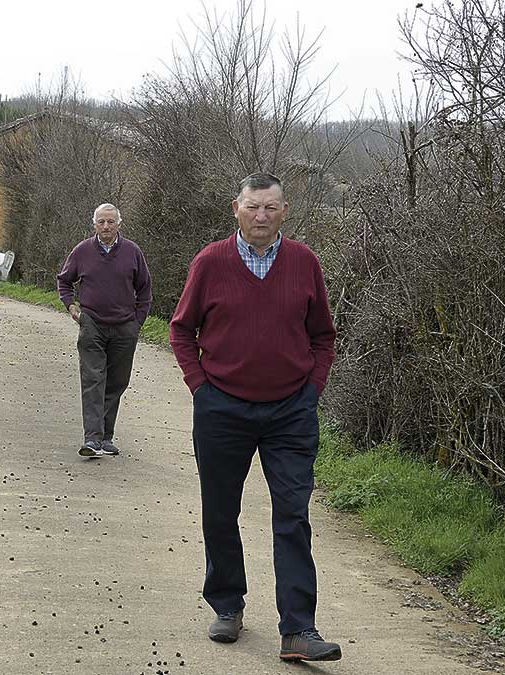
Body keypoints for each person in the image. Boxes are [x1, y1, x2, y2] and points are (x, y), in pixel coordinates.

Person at [168, 173, 340, 662]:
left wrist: (311, 390)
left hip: (291, 411)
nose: (260, 217)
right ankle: (227, 605)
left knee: (293, 515)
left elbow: (323, 336)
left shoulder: (304, 262)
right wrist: (201, 389)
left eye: (269, 208)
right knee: (221, 511)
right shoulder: (211, 262)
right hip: (223, 407)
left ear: (285, 210)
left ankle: (299, 629)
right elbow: (181, 331)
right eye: (252, 208)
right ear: (235, 209)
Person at [56, 203, 152, 457]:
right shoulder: (82, 251)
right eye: (101, 222)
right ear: (94, 224)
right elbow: (64, 281)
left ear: (119, 223)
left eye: (110, 222)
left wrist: (137, 321)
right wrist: (72, 307)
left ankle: (106, 437)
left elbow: (144, 289)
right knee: (93, 380)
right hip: (92, 325)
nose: (106, 227)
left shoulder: (132, 252)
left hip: (124, 327)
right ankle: (92, 439)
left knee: (117, 382)